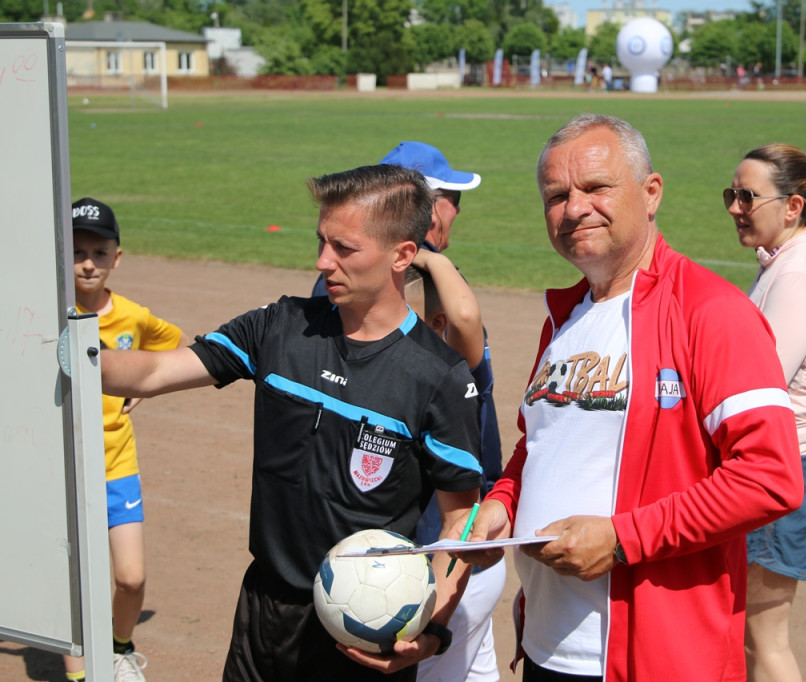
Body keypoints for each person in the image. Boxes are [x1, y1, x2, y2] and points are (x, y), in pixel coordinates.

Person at [98, 165, 484, 682]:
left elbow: (461, 522)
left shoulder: (438, 376)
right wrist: (66, 349)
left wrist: (426, 629)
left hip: (363, 633)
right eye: (321, 242)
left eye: (344, 248)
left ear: (402, 255)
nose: (323, 261)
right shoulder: (280, 326)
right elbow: (152, 370)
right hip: (264, 608)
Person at [456, 113, 804, 682]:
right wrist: (500, 506)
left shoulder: (712, 313)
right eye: (556, 195)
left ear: (650, 193)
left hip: (655, 660)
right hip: (545, 648)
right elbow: (541, 446)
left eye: (596, 188)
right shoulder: (565, 317)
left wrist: (622, 540)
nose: (573, 209)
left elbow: (770, 478)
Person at [314, 140, 506, 682]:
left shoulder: (425, 277)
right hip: (419, 554)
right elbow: (467, 329)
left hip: (460, 533)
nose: (457, 210)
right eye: (449, 197)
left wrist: (421, 253)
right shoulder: (388, 290)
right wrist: (422, 252)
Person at [724, 146, 806, 682]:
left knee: (764, 638)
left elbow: (762, 382)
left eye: (748, 197)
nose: (734, 207)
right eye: (731, 194)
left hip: (789, 466)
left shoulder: (802, 277)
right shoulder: (786, 262)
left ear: (794, 205)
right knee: (751, 635)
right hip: (783, 462)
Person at [63, 197, 185, 682]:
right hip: (64, 470)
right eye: (75, 252)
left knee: (130, 577)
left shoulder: (133, 316)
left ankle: (118, 647)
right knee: (72, 584)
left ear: (117, 256)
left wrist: (143, 390)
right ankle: (77, 673)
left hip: (116, 464)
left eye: (99, 251)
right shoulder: (49, 311)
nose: (88, 262)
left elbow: (172, 344)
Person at [404, 252, 506, 682]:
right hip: (475, 571)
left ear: (436, 326)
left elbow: (465, 317)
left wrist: (422, 253)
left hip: (447, 574)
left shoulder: (454, 367)